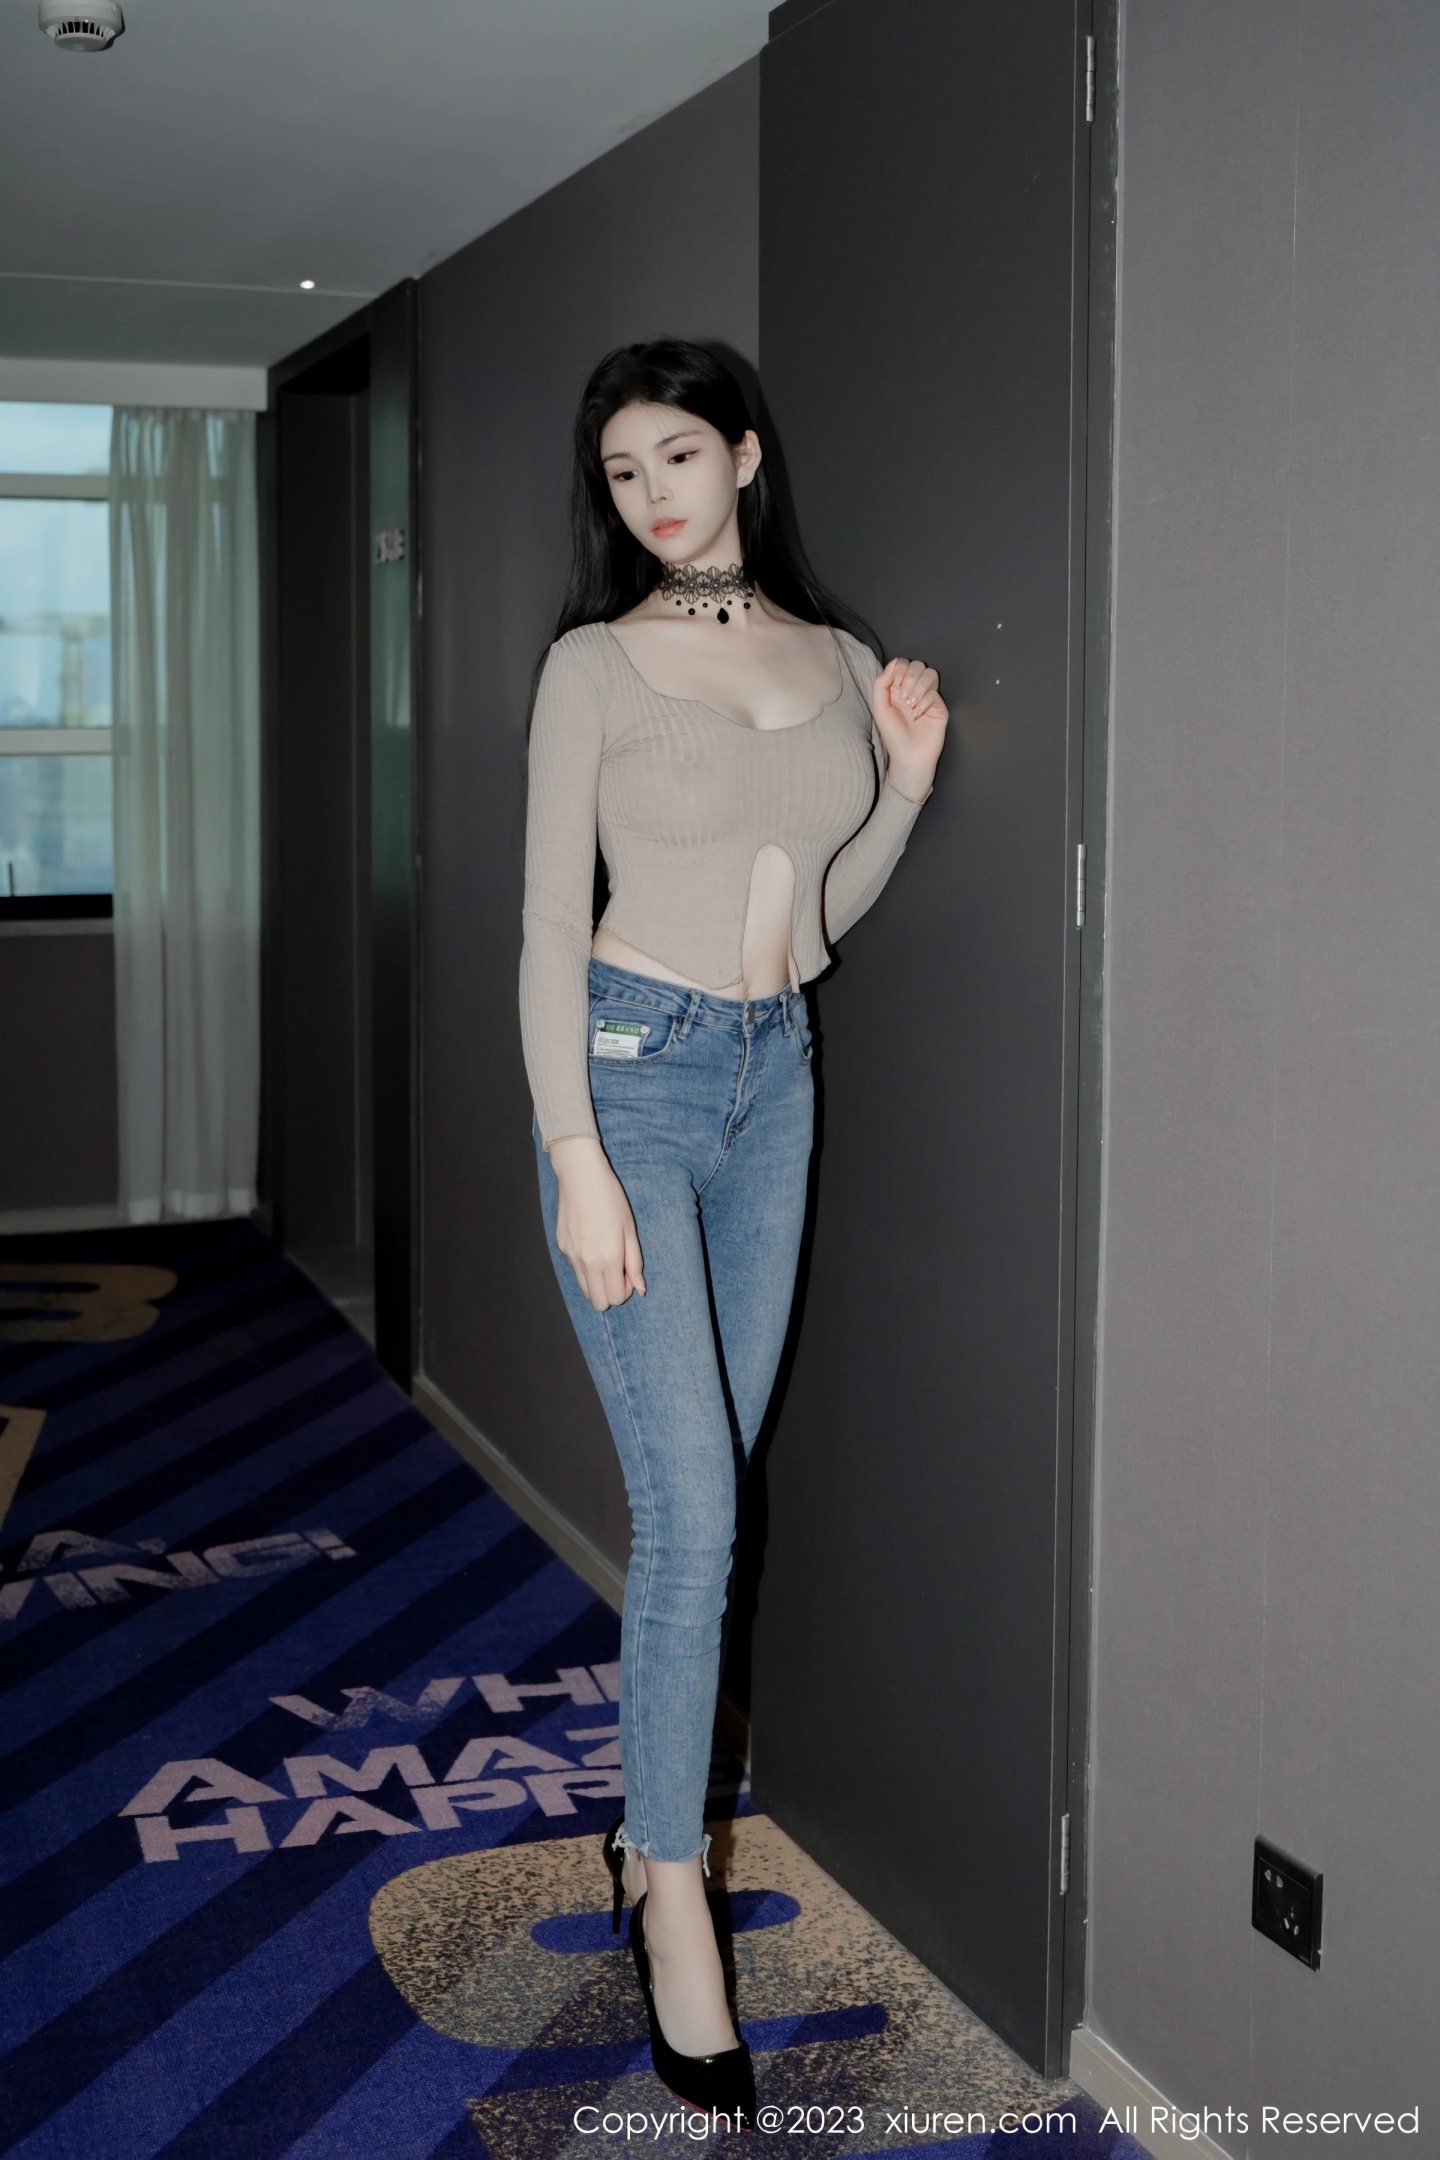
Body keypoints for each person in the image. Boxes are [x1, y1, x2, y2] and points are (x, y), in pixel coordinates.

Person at [519, 337, 947, 2122]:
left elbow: (826, 905)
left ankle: (648, 1834)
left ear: (746, 457)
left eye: (677, 456)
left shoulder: (838, 659)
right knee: (695, 1516)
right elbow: (549, 924)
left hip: (779, 1083)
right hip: (630, 1082)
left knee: (711, 1496)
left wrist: (903, 781)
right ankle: (673, 1892)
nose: (652, 496)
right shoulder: (591, 665)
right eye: (622, 472)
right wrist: (575, 1155)